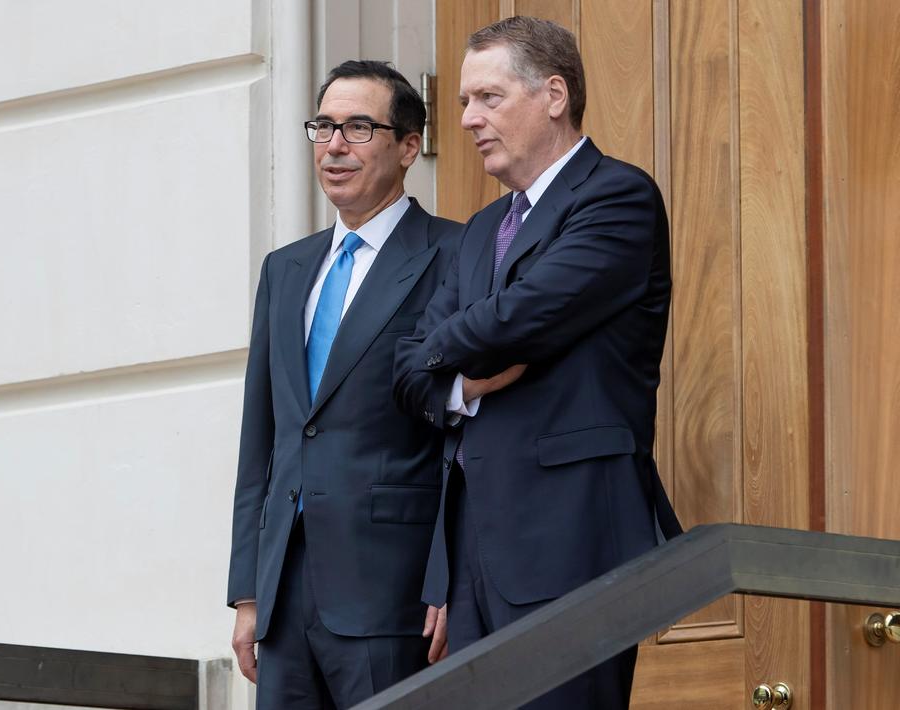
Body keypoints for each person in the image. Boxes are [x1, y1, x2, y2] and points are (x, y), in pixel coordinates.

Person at [393, 16, 681, 709]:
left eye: (488, 98)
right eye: (464, 102)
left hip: (572, 541)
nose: (468, 118)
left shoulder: (616, 197)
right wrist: (459, 384)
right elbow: (406, 368)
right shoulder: (481, 230)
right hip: (473, 558)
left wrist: (444, 351)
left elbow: (520, 318)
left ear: (554, 95)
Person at [227, 60, 460, 709]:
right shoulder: (285, 269)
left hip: (394, 590)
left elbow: (464, 438)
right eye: (324, 127)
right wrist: (248, 591)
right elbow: (262, 439)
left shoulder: (455, 254)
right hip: (284, 594)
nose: (334, 146)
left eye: (359, 128)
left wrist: (450, 577)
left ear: (409, 146)